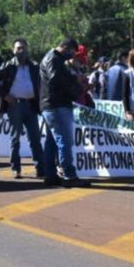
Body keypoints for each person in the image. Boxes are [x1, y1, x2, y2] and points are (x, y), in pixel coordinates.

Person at [0, 39, 44, 178]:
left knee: (35, 138)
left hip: (31, 105)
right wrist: (5, 96)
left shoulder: (34, 66)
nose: (21, 51)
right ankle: (16, 168)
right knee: (15, 138)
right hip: (15, 105)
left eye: (23, 48)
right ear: (13, 50)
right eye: (18, 48)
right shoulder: (8, 66)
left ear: (28, 49)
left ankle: (40, 168)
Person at [40, 37, 90, 187]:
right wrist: (75, 82)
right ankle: (69, 175)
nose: (72, 56)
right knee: (65, 142)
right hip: (57, 105)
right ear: (66, 48)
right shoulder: (54, 59)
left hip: (51, 105)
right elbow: (56, 79)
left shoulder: (53, 58)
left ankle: (50, 175)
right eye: (72, 52)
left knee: (52, 143)